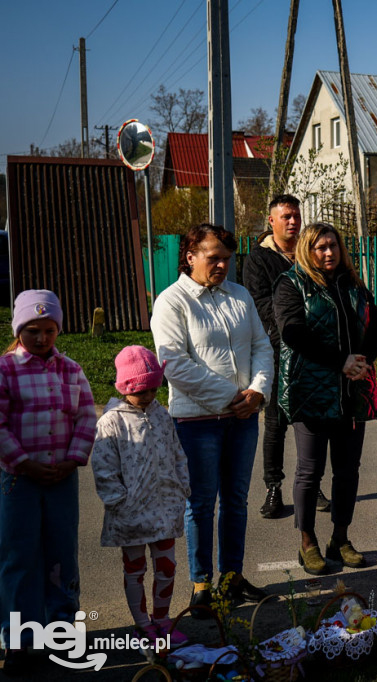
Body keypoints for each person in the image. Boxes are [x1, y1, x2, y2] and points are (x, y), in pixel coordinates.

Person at [151, 223, 274, 614]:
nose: (222, 264)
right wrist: (233, 398)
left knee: (236, 500)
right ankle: (202, 584)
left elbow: (261, 346)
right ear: (190, 257)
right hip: (197, 421)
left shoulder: (239, 296)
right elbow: (174, 364)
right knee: (201, 503)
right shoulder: (172, 302)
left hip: (242, 417)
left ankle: (231, 578)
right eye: (213, 257)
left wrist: (257, 392)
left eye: (226, 258)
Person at [274, 223, 377, 575]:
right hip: (310, 392)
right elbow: (293, 333)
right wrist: (341, 361)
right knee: (309, 472)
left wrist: (362, 360)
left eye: (333, 246)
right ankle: (307, 542)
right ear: (307, 249)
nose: (328, 253)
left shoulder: (353, 285)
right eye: (321, 247)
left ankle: (340, 538)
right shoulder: (291, 284)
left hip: (352, 391)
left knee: (347, 470)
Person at [0, 290, 97, 676]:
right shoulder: (5, 370)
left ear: (58, 329)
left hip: (61, 478)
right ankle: (19, 638)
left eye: (49, 330)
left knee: (61, 552)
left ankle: (60, 631)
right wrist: (23, 462)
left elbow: (87, 416)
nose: (41, 338)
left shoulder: (71, 370)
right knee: (18, 555)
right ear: (19, 329)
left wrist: (72, 459)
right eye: (32, 330)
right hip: (18, 481)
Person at [91, 346, 190, 649]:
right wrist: (118, 501)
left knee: (167, 567)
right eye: (141, 391)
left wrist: (182, 486)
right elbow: (103, 466)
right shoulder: (112, 421)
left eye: (153, 389)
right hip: (131, 513)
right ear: (125, 387)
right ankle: (142, 624)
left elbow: (176, 453)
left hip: (164, 508)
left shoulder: (161, 414)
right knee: (135, 569)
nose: (148, 396)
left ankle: (162, 619)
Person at [244, 194, 330, 519]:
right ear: (272, 221)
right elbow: (262, 305)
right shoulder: (258, 259)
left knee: (312, 424)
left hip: (313, 354)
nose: (293, 221)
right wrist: (295, 336)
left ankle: (312, 485)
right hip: (278, 351)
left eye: (296, 215)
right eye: (286, 216)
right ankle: (274, 489)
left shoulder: (309, 252)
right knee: (276, 424)